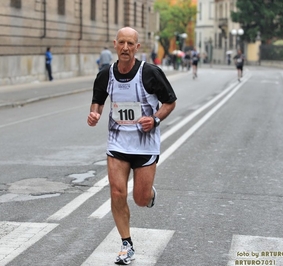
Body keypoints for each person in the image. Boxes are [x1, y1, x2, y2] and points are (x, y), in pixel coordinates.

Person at [87, 27, 177, 265]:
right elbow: (97, 102)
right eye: (122, 43)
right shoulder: (105, 74)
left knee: (140, 198)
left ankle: (148, 194)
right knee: (117, 193)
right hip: (117, 143)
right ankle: (126, 244)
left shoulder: (150, 73)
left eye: (130, 44)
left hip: (145, 145)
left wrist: (155, 118)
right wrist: (94, 115)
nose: (125, 48)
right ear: (115, 45)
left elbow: (170, 102)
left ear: (137, 47)